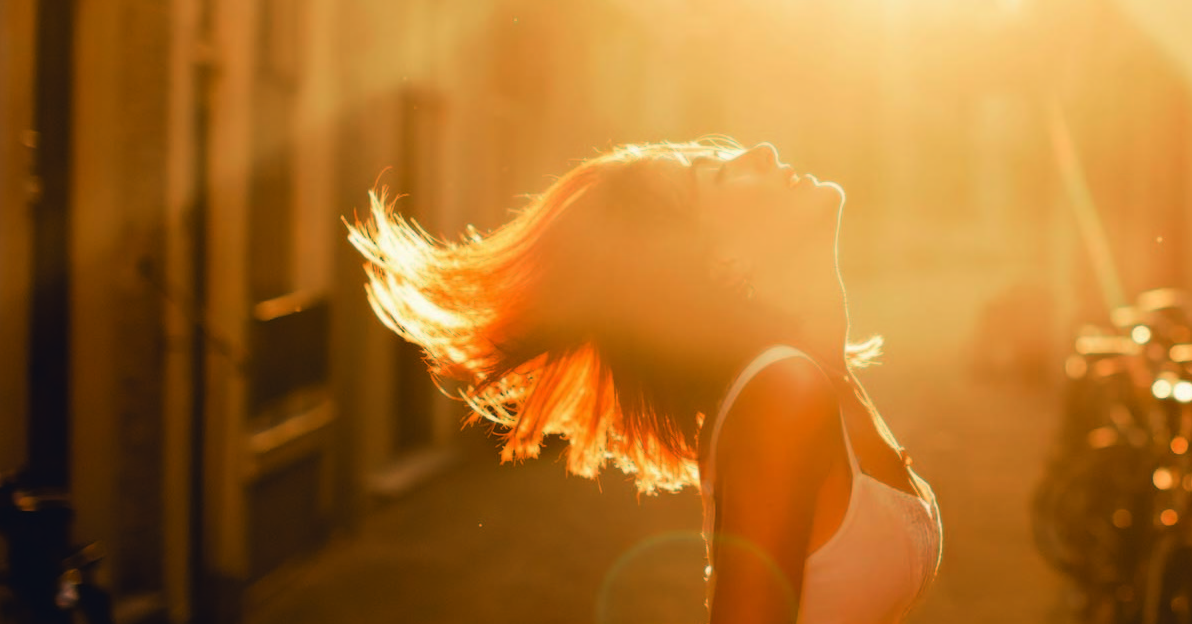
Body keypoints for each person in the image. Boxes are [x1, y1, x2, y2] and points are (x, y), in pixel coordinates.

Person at [348, 139, 941, 623]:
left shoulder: (813, 374)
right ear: (717, 263)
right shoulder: (783, 395)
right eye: (714, 174)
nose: (758, 150)